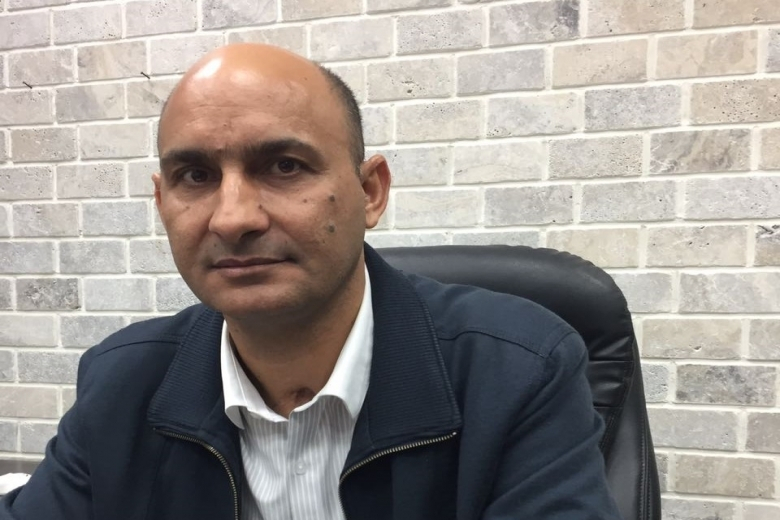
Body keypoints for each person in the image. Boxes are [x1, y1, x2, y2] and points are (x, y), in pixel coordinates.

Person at [0, 44, 621, 520]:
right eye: (195, 176)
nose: (233, 218)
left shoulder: (519, 370)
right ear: (162, 202)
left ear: (370, 192)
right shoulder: (119, 382)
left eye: (284, 166)